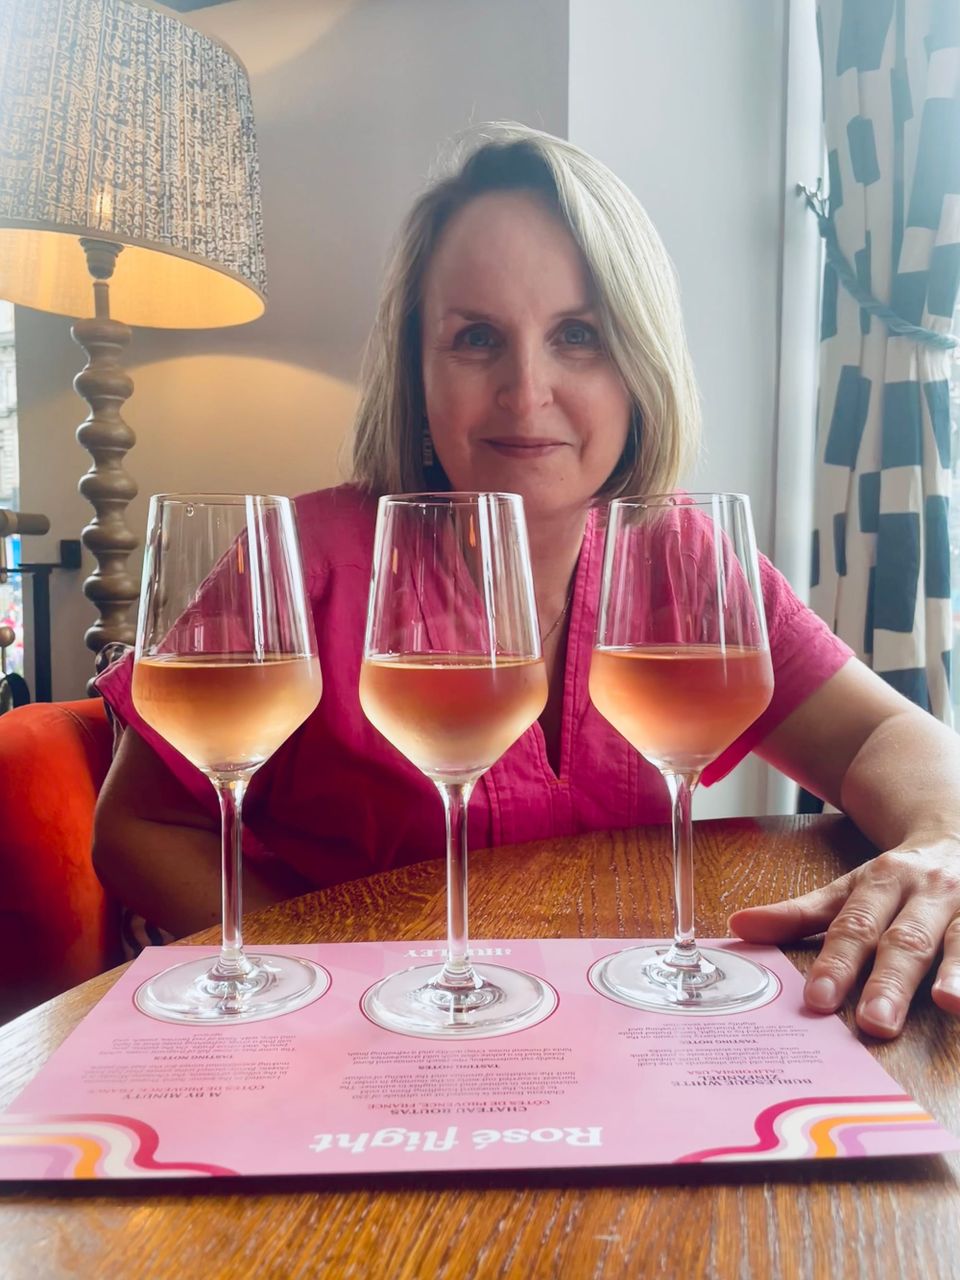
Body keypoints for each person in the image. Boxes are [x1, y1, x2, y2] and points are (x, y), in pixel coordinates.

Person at [93, 123, 960, 1040]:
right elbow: (138, 828)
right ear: (416, 371)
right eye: (475, 338)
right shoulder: (301, 560)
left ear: (639, 365)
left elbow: (887, 738)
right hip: (362, 1051)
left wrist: (942, 838)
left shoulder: (688, 557)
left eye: (578, 335)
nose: (526, 390)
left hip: (615, 1042)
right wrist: (343, 969)